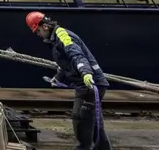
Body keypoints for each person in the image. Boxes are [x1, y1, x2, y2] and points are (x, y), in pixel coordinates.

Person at [26, 12, 112, 150]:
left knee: (80, 119)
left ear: (46, 26)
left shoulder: (62, 35)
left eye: (38, 31)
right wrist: (58, 78)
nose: (38, 34)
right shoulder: (55, 40)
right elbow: (65, 63)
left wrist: (86, 73)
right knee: (94, 125)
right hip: (91, 83)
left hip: (89, 84)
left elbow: (76, 54)